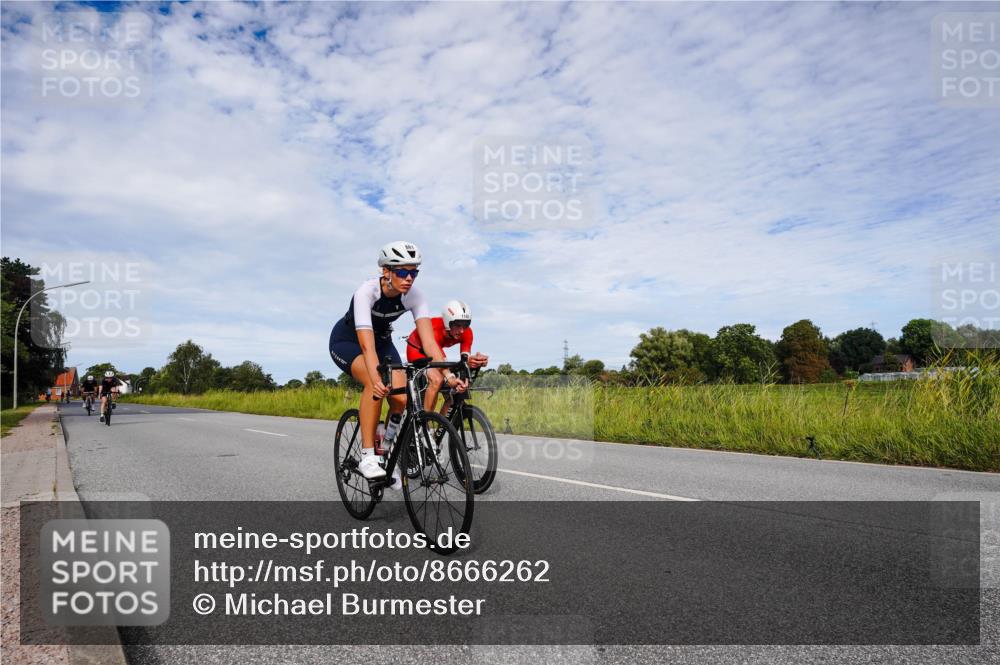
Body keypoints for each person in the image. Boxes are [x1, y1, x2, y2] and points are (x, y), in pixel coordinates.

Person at [328, 241, 448, 485]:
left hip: (382, 342)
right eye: (402, 272)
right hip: (349, 341)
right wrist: (376, 379)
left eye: (414, 272)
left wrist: (448, 373)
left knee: (401, 399)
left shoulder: (415, 296)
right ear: (386, 271)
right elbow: (367, 347)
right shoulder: (366, 292)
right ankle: (368, 456)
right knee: (374, 384)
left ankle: (385, 448)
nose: (409, 278)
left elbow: (429, 342)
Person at [406, 300, 489, 413]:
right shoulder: (434, 329)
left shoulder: (467, 332)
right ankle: (425, 421)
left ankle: (441, 423)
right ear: (447, 322)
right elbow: (440, 359)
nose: (462, 330)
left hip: (435, 351)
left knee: (452, 394)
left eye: (466, 325)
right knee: (437, 379)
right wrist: (449, 376)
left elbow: (465, 358)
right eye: (457, 325)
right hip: (417, 350)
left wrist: (473, 361)